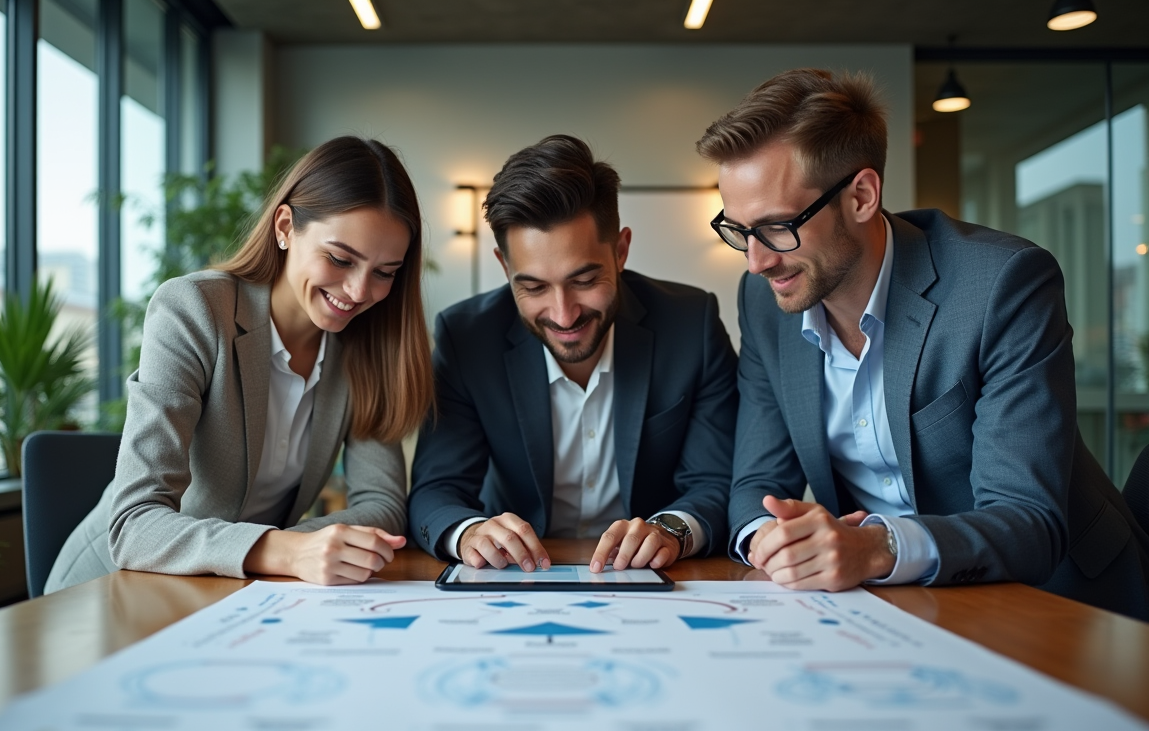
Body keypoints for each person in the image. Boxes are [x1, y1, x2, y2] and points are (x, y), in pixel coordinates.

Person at [699, 68, 1149, 620]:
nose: (756, 261)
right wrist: (774, 541)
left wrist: (877, 547)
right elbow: (756, 484)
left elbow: (1029, 521)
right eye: (739, 230)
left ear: (862, 196)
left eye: (777, 227)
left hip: (1066, 601)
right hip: (897, 607)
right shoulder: (764, 301)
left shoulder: (1003, 283)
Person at [45, 136, 434, 591]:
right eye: (340, 258)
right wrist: (287, 551)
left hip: (234, 592)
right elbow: (135, 524)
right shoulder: (193, 309)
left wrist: (298, 549)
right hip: (112, 588)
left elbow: (383, 503)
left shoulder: (368, 348)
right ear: (285, 227)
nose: (359, 291)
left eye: (385, 272)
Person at [408, 135, 738, 573]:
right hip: (516, 575)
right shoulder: (466, 338)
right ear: (505, 267)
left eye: (584, 281)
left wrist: (671, 530)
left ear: (620, 251)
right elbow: (436, 488)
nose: (564, 315)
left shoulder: (691, 325)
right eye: (534, 287)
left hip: (653, 574)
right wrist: (469, 532)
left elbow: (716, 479)